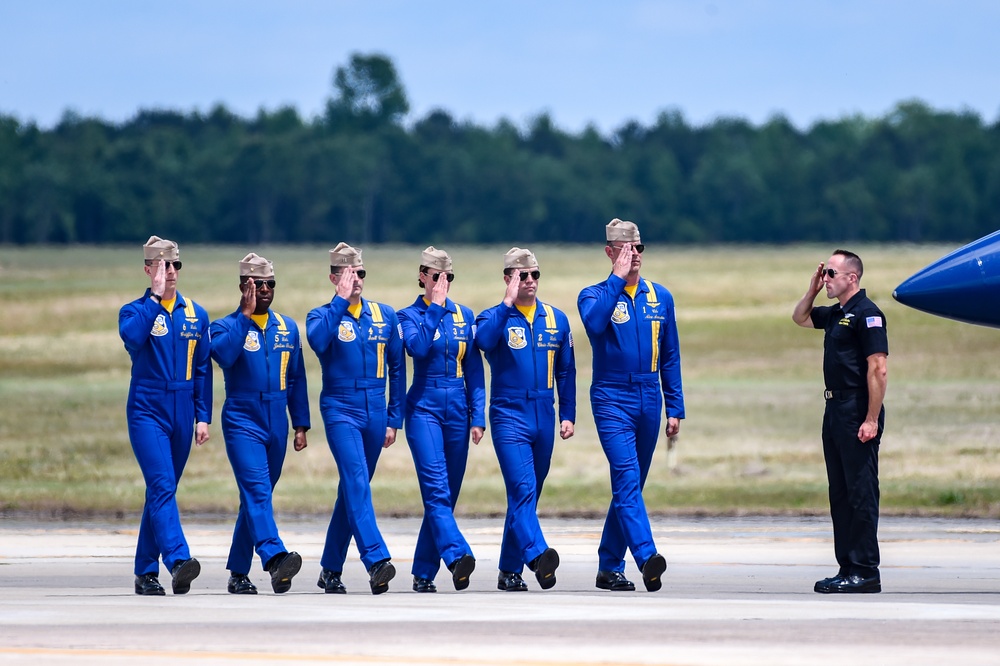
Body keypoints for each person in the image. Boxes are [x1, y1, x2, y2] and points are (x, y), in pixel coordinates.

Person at [577, 219, 682, 593]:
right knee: (625, 477)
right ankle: (646, 555)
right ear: (609, 252)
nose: (633, 256)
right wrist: (617, 280)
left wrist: (675, 407)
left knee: (632, 485)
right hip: (611, 397)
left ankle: (608, 566)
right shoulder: (593, 295)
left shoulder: (660, 297)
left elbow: (670, 355)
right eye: (624, 249)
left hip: (649, 396)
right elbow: (593, 323)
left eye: (637, 249)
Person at [307, 243, 405, 595]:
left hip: (376, 409)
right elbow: (318, 343)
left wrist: (395, 417)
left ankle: (330, 569)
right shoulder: (321, 316)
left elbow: (397, 366)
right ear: (335, 278)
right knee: (357, 482)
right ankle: (376, 560)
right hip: (340, 407)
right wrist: (340, 302)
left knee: (352, 490)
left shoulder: (385, 315)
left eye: (360, 274)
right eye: (349, 275)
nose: (357, 281)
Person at [475, 247, 576, 592]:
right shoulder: (493, 317)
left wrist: (568, 415)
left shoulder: (556, 319)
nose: (530, 281)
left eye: (534, 275)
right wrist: (506, 304)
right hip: (509, 414)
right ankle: (537, 556)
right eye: (522, 275)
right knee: (522, 489)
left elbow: (567, 371)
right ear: (508, 278)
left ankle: (508, 570)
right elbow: (483, 342)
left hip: (543, 414)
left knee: (527, 498)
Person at [210, 253, 310, 595]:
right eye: (257, 284)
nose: (264, 290)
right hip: (242, 418)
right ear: (243, 286)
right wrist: (244, 316)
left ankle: (238, 573)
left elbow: (296, 378)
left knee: (257, 497)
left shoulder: (287, 328)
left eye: (269, 284)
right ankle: (274, 556)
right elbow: (223, 356)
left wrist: (300, 424)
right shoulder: (225, 326)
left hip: (276, 419)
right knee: (256, 492)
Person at [119, 235, 212, 596]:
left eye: (174, 265)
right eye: (161, 265)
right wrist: (155, 299)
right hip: (147, 407)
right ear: (147, 269)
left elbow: (202, 368)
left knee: (163, 490)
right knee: (161, 486)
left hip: (183, 407)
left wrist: (202, 415)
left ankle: (145, 572)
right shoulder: (134, 310)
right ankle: (177, 559)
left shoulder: (196, 314)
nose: (169, 272)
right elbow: (132, 337)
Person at [792, 249, 888, 594]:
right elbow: (799, 317)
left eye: (832, 273)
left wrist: (871, 418)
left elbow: (878, 368)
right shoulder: (836, 314)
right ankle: (846, 566)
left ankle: (865, 570)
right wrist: (813, 289)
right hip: (834, 410)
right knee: (841, 493)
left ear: (853, 278)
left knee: (861, 492)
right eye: (825, 273)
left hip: (857, 409)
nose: (827, 278)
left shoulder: (867, 314)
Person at [397, 247, 484, 593]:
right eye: (436, 277)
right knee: (435, 488)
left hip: (458, 408)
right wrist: (434, 307)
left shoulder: (464, 315)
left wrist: (478, 415)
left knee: (447, 494)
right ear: (422, 276)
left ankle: (422, 572)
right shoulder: (408, 316)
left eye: (448, 278)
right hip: (424, 407)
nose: (442, 284)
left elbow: (475, 370)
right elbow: (416, 349)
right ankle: (456, 554)